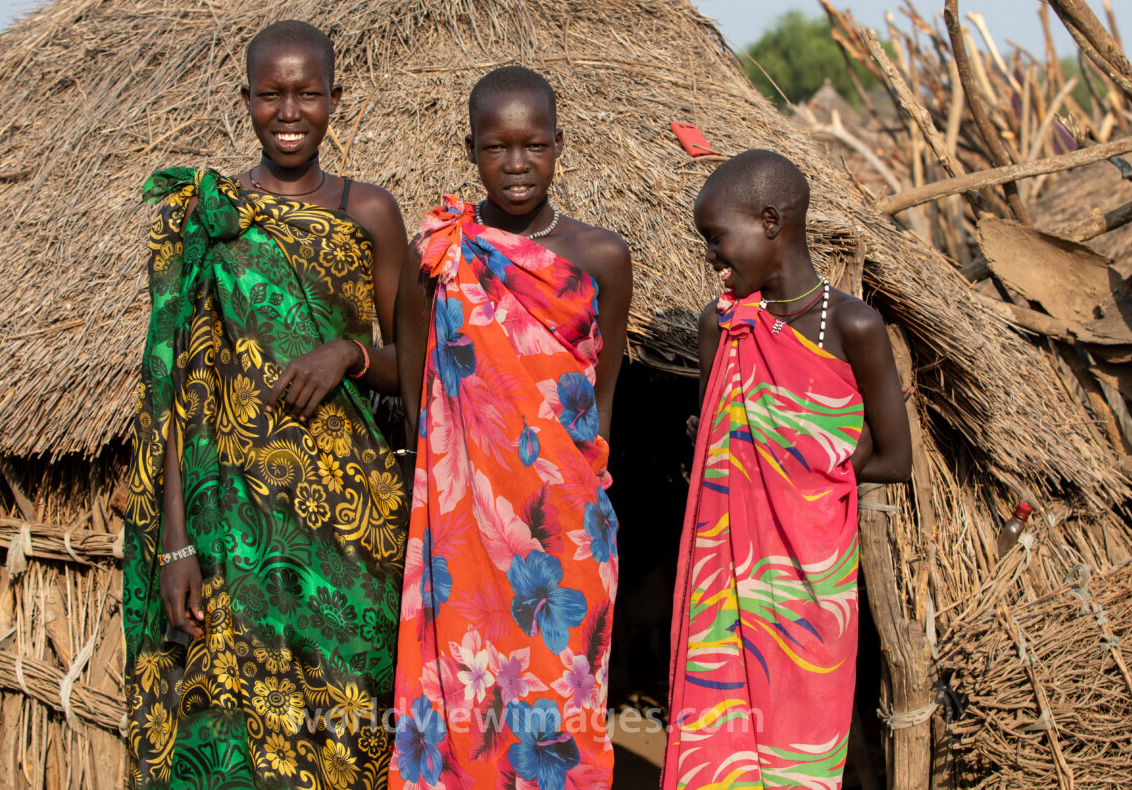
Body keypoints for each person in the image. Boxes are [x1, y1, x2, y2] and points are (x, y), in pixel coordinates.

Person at [123, 20, 410, 789]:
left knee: (346, 735)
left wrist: (349, 353)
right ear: (245, 99)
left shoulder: (370, 212)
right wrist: (176, 544)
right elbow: (176, 391)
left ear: (335, 99)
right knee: (233, 735)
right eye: (272, 95)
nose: (290, 112)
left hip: (351, 530)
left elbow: (419, 369)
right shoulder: (206, 219)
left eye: (308, 94)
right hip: (231, 526)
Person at [387, 66, 632, 790]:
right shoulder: (442, 249)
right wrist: (421, 459)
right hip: (463, 522)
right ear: (471, 149)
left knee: (561, 702)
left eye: (533, 146)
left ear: (560, 145)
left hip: (568, 524)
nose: (517, 164)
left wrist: (594, 498)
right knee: (464, 693)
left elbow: (601, 389)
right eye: (497, 147)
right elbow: (410, 355)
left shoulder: (601, 255)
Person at [660, 149, 911, 790]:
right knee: (718, 752)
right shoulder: (720, 326)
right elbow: (719, 452)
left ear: (771, 221)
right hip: (724, 583)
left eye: (718, 240)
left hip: (811, 589)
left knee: (799, 758)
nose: (713, 258)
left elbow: (894, 458)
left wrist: (803, 476)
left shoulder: (855, 326)